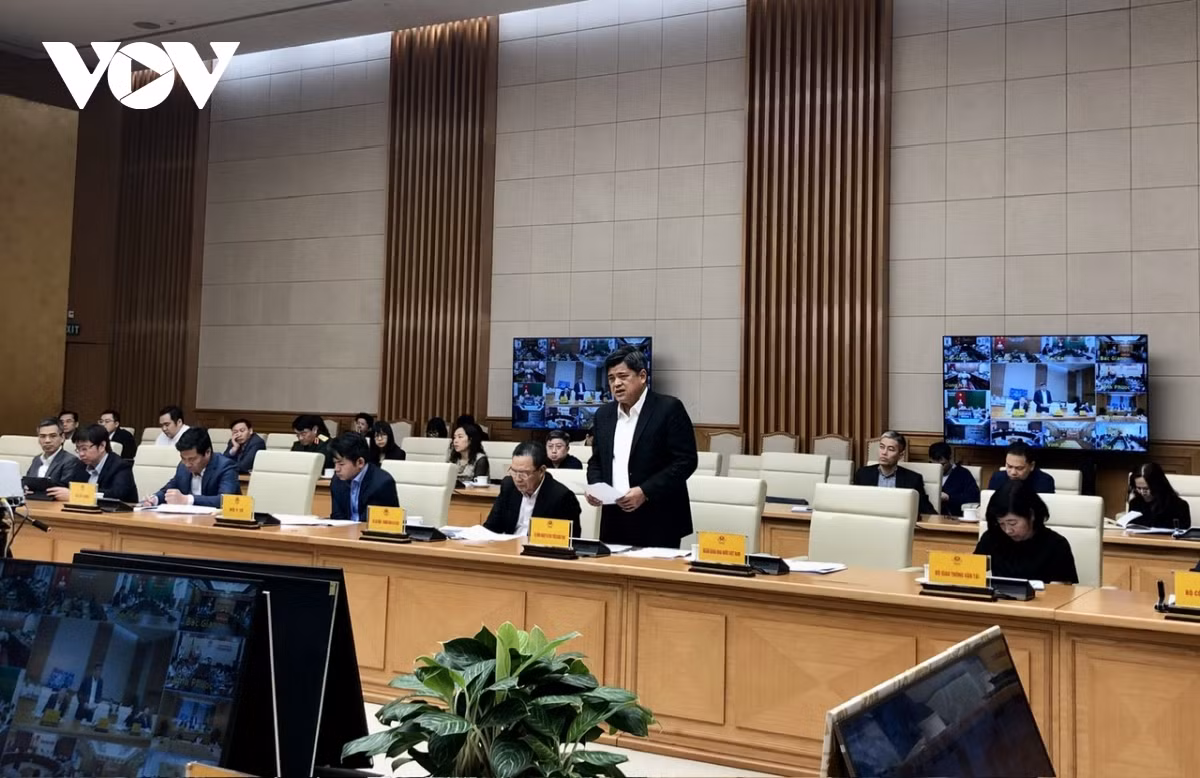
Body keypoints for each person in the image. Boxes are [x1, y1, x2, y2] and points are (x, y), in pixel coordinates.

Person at [586, 346, 697, 547]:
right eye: (611, 378)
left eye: (623, 376)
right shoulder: (604, 415)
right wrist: (596, 487)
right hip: (614, 516)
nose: (616, 384)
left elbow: (685, 461)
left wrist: (645, 491)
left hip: (658, 516)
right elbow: (597, 461)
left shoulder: (668, 408)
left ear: (642, 376)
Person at [974, 479, 1078, 584]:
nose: (1008, 530)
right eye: (1001, 523)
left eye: (1012, 523)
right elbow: (972, 576)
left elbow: (1062, 590)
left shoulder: (1057, 545)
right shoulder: (991, 538)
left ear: (1031, 515)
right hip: (999, 595)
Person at [485, 441, 582, 537]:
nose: (518, 479)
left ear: (541, 471)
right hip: (510, 544)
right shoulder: (508, 486)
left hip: (538, 546)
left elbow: (570, 539)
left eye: (524, 473)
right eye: (514, 471)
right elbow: (491, 527)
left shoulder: (562, 497)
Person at [143, 428, 240, 509]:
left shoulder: (225, 466)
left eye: (192, 459)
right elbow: (169, 489)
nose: (187, 464)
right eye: (183, 458)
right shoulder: (182, 467)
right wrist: (155, 499)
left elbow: (225, 500)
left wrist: (187, 500)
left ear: (207, 452)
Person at [852, 432, 937, 515]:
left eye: (890, 449)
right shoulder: (863, 474)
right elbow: (853, 505)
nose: (884, 453)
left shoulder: (913, 479)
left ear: (900, 455)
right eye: (882, 447)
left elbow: (927, 511)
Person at [51, 425, 137, 503]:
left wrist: (76, 494)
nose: (81, 454)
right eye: (78, 449)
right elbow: (70, 486)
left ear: (102, 446)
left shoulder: (120, 466)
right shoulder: (81, 465)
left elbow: (116, 494)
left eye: (84, 449)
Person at [328, 432, 399, 522]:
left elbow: (372, 522)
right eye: (335, 463)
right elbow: (337, 518)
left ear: (360, 462)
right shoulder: (337, 481)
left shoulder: (382, 484)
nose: (337, 469)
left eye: (341, 464)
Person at [1128, 462, 1191, 530]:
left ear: (1158, 485)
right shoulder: (1135, 504)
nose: (1142, 492)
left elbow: (1183, 531)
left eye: (1146, 488)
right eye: (1138, 488)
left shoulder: (1179, 506)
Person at [929, 441, 979, 517]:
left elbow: (974, 498)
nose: (939, 468)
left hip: (954, 516)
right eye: (935, 465)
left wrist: (949, 498)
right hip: (929, 516)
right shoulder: (926, 473)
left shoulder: (963, 474)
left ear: (950, 458)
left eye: (942, 464)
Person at [26, 418, 78, 488]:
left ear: (62, 438)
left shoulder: (70, 461)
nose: (47, 440)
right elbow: (27, 481)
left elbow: (65, 488)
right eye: (43, 436)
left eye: (53, 436)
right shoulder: (36, 459)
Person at [986, 441, 1055, 493]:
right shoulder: (997, 478)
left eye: (1019, 468)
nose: (1013, 472)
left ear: (1032, 466)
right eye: (1009, 466)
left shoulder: (1044, 482)